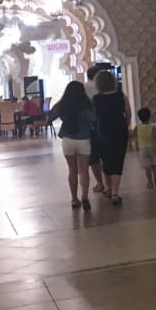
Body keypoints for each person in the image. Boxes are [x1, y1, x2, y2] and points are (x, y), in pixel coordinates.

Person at [47, 81, 95, 211]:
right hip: (84, 139)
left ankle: (74, 199)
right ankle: (85, 196)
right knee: (84, 171)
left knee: (72, 170)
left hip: (68, 140)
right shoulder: (87, 104)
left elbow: (50, 116)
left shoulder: (63, 104)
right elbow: (93, 119)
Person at [93, 69, 131, 205]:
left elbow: (93, 117)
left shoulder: (96, 99)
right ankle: (115, 193)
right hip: (120, 132)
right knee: (117, 162)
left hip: (102, 133)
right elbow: (128, 112)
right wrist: (126, 125)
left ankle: (108, 188)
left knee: (106, 161)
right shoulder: (120, 96)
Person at [84, 66, 106, 193]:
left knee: (94, 157)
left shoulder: (83, 88)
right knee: (107, 155)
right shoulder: (104, 88)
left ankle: (100, 183)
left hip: (90, 127)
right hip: (106, 125)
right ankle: (110, 184)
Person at [131, 107, 156, 189]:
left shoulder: (137, 128)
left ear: (139, 118)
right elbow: (155, 138)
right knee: (153, 164)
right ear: (149, 116)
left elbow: (132, 135)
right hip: (151, 148)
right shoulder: (152, 127)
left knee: (147, 167)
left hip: (143, 149)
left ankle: (150, 183)